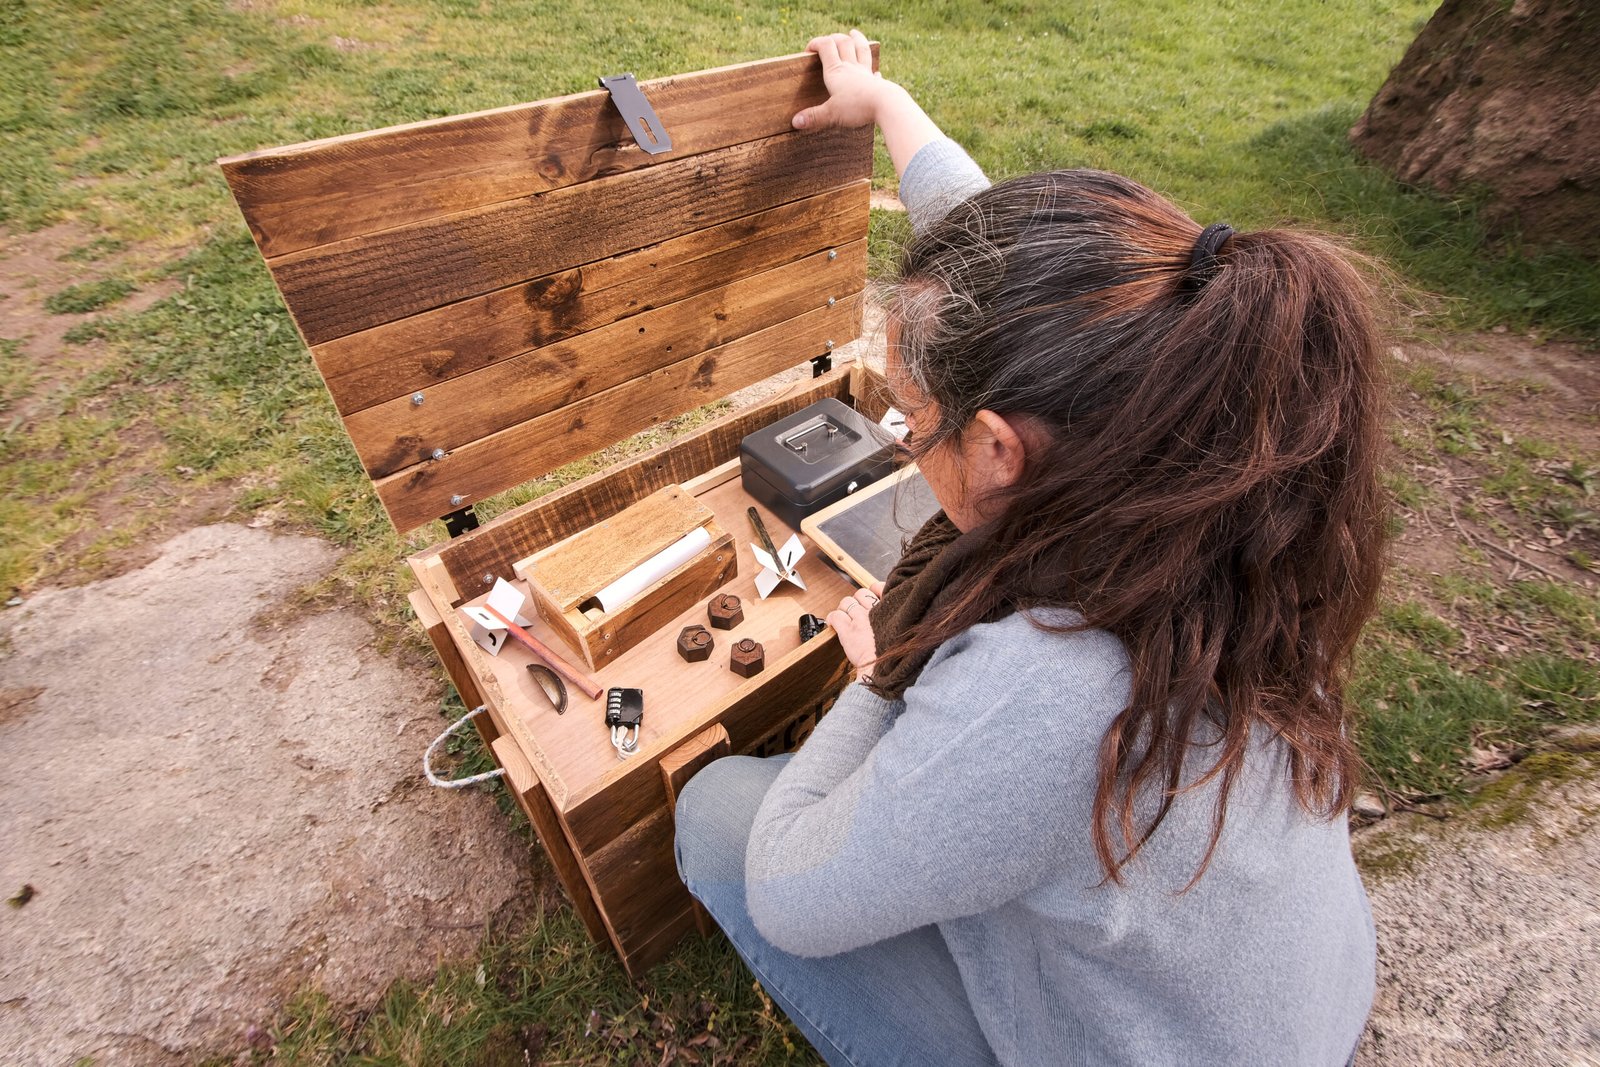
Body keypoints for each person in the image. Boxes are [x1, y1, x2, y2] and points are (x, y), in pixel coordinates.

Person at [674, 29, 1385, 1067]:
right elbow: (996, 267)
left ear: (999, 448)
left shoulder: (1040, 688)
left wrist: (881, 677)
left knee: (719, 816)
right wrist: (882, 104)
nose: (903, 440)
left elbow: (786, 889)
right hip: (1290, 1006)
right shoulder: (1222, 470)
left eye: (911, 420)